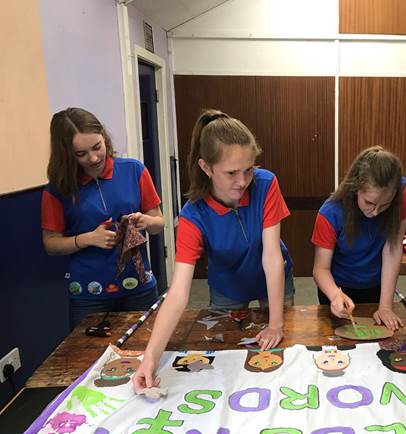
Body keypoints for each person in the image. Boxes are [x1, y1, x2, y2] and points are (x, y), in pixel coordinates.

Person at [133, 109, 294, 390]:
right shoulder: (193, 215)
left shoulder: (266, 183)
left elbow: (271, 257)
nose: (242, 181)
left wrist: (276, 323)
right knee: (226, 362)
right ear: (206, 168)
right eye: (231, 173)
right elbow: (179, 292)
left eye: (248, 169)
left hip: (274, 277)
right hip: (227, 287)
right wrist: (150, 357)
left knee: (283, 356)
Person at [41, 107, 164, 330]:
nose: (94, 158)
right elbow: (51, 244)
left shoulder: (134, 170)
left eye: (97, 146)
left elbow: (158, 223)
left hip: (139, 287)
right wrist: (87, 239)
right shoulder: (57, 189)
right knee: (89, 360)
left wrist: (146, 221)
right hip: (89, 294)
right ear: (67, 154)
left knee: (146, 352)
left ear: (104, 137)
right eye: (81, 154)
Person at [312, 146, 406, 331]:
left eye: (385, 205)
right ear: (355, 188)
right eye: (369, 202)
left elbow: (393, 248)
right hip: (338, 288)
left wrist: (385, 306)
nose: (375, 212)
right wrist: (335, 295)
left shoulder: (404, 190)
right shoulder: (330, 213)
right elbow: (321, 269)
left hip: (377, 284)